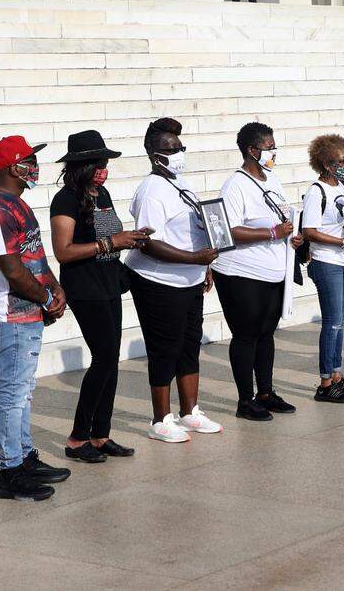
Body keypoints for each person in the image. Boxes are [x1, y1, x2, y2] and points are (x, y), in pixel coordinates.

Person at [0, 136, 70, 501]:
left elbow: (35, 258)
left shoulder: (18, 204)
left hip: (28, 313)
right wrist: (45, 298)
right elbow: (13, 270)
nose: (35, 165)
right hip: (9, 317)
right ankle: (10, 471)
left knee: (24, 394)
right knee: (14, 397)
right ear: (13, 166)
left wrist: (55, 290)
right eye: (30, 159)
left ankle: (26, 457)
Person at [50, 131, 150, 464]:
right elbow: (63, 252)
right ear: (81, 166)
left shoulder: (101, 193)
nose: (103, 170)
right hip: (84, 288)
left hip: (109, 283)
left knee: (111, 359)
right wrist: (112, 243)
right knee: (104, 357)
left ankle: (100, 434)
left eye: (105, 164)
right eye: (97, 164)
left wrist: (131, 240)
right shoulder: (65, 200)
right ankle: (77, 438)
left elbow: (110, 237)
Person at [124, 118, 222, 442]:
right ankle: (160, 419)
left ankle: (190, 412)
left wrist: (202, 268)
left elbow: (194, 231)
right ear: (155, 155)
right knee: (164, 348)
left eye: (180, 147)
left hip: (189, 280)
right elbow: (149, 243)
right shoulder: (152, 191)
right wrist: (195, 260)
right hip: (158, 281)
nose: (178, 152)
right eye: (170, 148)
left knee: (189, 345)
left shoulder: (181, 184)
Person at [212, 123, 302, 421]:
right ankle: (245, 399)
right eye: (268, 147)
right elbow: (230, 230)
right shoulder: (235, 185)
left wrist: (293, 234)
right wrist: (273, 232)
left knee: (266, 333)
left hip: (273, 271)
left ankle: (265, 392)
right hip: (241, 272)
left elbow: (283, 216)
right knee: (246, 335)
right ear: (252, 150)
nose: (273, 152)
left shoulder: (271, 179)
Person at [302, 134, 344, 402]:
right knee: (331, 323)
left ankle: (338, 375)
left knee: (340, 322)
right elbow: (310, 230)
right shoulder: (316, 192)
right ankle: (325, 382)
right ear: (327, 164)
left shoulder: (342, 185)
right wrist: (342, 240)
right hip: (326, 262)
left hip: (343, 260)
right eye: (343, 160)